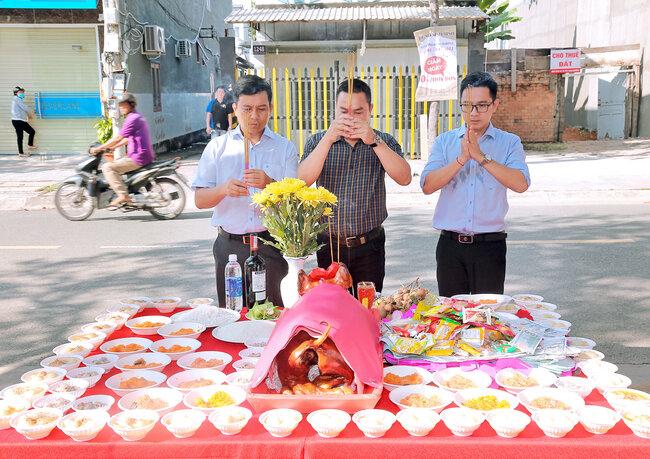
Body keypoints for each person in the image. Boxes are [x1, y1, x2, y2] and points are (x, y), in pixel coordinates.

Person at [420, 71, 531, 297]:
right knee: (451, 317)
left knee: (488, 318)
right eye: (467, 105)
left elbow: (521, 184)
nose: (473, 113)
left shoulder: (509, 142)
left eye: (481, 105)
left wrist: (481, 157)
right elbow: (427, 185)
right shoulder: (445, 141)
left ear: (495, 105)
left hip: (490, 246)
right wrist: (461, 159)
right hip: (450, 246)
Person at [298, 78, 412, 296]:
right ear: (334, 110)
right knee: (331, 308)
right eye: (343, 111)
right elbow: (302, 182)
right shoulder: (318, 141)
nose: (350, 118)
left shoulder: (383, 140)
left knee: (367, 307)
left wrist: (374, 141)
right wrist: (328, 139)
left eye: (358, 112)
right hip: (329, 244)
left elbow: (404, 178)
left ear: (370, 110)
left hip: (369, 244)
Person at [192, 75, 299, 307]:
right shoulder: (218, 148)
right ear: (234, 108)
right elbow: (200, 199)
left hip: (271, 246)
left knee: (272, 319)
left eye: (261, 109)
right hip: (230, 247)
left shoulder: (284, 148)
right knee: (231, 317)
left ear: (270, 108)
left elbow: (295, 205)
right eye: (247, 108)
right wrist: (223, 189)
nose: (254, 116)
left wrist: (270, 184)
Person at [90, 93, 155, 207]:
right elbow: (127, 138)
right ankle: (125, 191)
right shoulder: (136, 116)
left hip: (138, 157)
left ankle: (122, 195)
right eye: (120, 105)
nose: (121, 107)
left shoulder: (132, 119)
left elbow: (118, 137)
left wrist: (99, 148)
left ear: (131, 105)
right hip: (141, 155)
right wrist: (112, 147)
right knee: (116, 164)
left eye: (123, 105)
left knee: (107, 167)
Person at [11, 86, 37, 157]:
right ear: (16, 93)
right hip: (18, 121)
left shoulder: (17, 100)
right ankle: (23, 151)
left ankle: (27, 147)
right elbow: (25, 107)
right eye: (21, 92)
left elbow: (22, 110)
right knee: (23, 136)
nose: (23, 93)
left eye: (23, 92)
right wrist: (33, 111)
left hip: (19, 121)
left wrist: (28, 116)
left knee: (29, 133)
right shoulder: (16, 99)